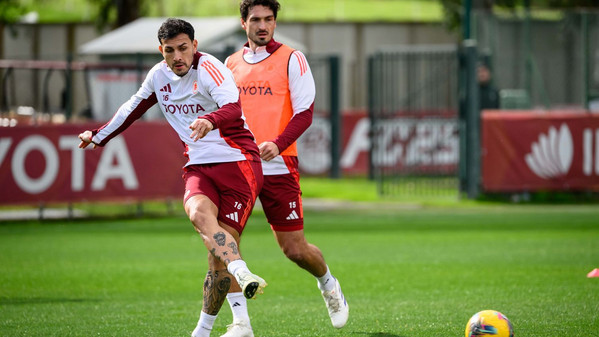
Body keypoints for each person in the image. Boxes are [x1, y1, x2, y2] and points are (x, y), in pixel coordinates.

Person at [77, 18, 267, 337]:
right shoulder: (159, 76)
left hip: (238, 163)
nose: (177, 57)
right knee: (198, 215)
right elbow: (132, 108)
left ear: (194, 46)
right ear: (161, 51)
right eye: (169, 51)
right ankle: (240, 275)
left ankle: (228, 327)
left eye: (183, 48)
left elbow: (233, 108)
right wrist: (98, 136)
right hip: (198, 166)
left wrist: (209, 119)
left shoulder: (210, 68)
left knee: (217, 253)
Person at [222, 1, 349, 336]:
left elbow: (305, 113)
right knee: (226, 244)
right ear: (243, 23)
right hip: (239, 167)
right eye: (255, 20)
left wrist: (277, 144)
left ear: (275, 22)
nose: (262, 26)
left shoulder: (292, 59)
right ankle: (240, 323)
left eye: (268, 19)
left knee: (294, 250)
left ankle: (328, 284)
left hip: (279, 165)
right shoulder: (230, 63)